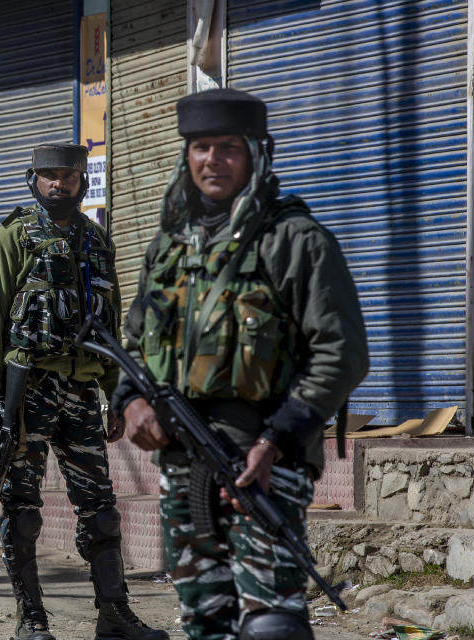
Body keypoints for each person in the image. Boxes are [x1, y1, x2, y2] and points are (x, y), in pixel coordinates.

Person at [111, 88, 369, 640]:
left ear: (255, 152)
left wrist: (276, 439)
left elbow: (342, 352)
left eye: (227, 147)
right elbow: (131, 345)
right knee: (204, 617)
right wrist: (130, 401)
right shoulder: (169, 248)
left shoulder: (295, 241)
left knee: (271, 622)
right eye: (201, 148)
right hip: (184, 464)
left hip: (265, 465)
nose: (212, 160)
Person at [0, 143, 168, 640]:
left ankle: (114, 615)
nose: (59, 183)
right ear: (32, 178)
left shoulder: (98, 244)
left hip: (81, 393)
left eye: (69, 175)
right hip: (27, 392)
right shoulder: (11, 239)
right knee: (22, 509)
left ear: (83, 181)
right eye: (48, 175)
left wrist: (116, 394)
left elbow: (110, 330)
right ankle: (31, 619)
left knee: (101, 510)